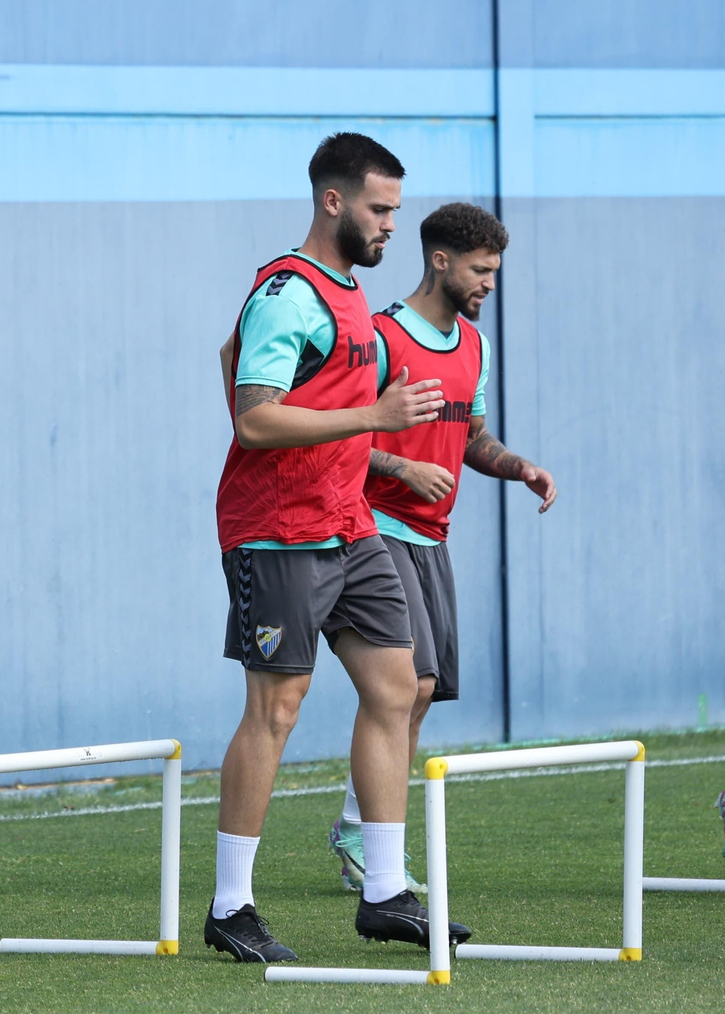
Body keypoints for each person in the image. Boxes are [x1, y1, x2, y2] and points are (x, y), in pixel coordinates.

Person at [205, 132, 471, 962]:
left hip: (350, 524)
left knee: (400, 686)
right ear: (333, 202)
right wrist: (372, 421)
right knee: (276, 709)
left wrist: (356, 453)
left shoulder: (350, 291)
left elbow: (227, 355)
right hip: (279, 530)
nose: (392, 224)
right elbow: (252, 414)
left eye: (394, 209)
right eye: (379, 209)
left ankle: (386, 893)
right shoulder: (289, 292)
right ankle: (230, 907)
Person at [326, 203, 556, 893]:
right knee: (411, 684)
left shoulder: (474, 348)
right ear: (440, 261)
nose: (489, 283)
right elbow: (340, 434)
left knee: (420, 698)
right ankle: (371, 849)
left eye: (494, 271)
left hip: (432, 538)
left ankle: (354, 827)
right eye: (481, 271)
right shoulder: (383, 338)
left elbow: (471, 438)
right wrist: (399, 469)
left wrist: (516, 466)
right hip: (371, 529)